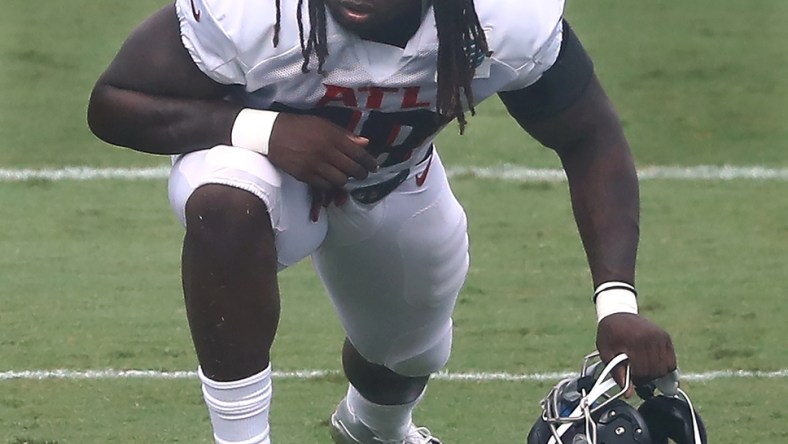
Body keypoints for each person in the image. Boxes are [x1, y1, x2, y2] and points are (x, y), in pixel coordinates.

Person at [87, 0, 678, 443]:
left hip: (392, 178)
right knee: (225, 201)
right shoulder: (255, 11)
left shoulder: (501, 18)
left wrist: (617, 305)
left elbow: (590, 137)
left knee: (410, 352)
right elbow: (113, 101)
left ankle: (374, 429)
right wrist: (267, 131)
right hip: (260, 166)